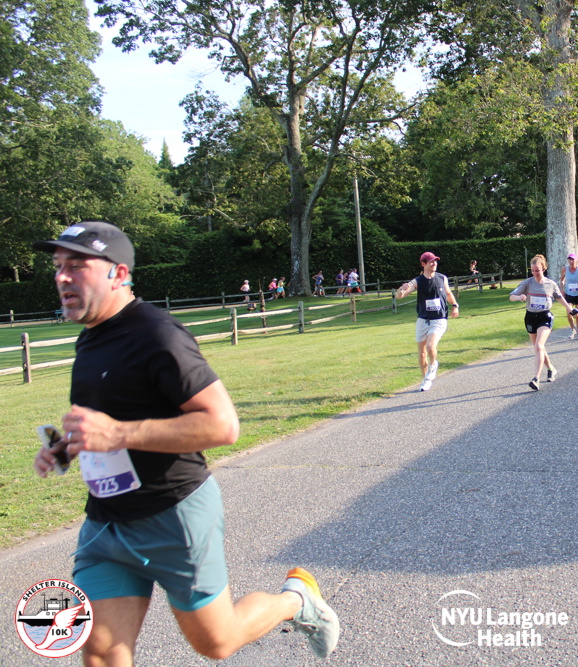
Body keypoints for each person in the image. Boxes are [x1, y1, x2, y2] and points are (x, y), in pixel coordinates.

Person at [31, 222, 339, 664]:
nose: (61, 276)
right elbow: (113, 415)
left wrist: (116, 433)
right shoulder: (90, 338)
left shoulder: (157, 334)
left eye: (77, 266)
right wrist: (66, 446)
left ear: (119, 274)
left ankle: (297, 599)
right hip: (106, 524)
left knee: (216, 643)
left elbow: (222, 425)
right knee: (100, 653)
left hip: (171, 516)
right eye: (59, 266)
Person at [510, 254, 578, 391]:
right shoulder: (527, 283)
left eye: (537, 270)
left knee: (539, 345)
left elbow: (559, 298)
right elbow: (511, 296)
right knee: (538, 348)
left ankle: (536, 378)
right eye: (533, 270)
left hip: (545, 316)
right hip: (530, 317)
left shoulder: (550, 284)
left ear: (544, 269)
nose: (535, 273)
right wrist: (519, 297)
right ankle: (551, 369)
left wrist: (569, 309)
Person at [396, 252, 460, 392]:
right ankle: (426, 379)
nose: (434, 263)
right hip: (423, 320)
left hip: (439, 319)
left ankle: (433, 364)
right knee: (422, 352)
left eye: (435, 261)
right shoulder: (417, 281)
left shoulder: (442, 278)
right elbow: (400, 296)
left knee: (431, 346)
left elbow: (448, 293)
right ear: (423, 264)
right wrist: (401, 290)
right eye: (431, 261)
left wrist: (455, 305)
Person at [559, 253, 578, 339]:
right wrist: (562, 289)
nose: (571, 261)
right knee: (569, 313)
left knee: (577, 314)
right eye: (569, 260)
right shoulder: (565, 269)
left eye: (573, 260)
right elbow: (561, 280)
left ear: (576, 261)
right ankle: (572, 330)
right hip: (569, 294)